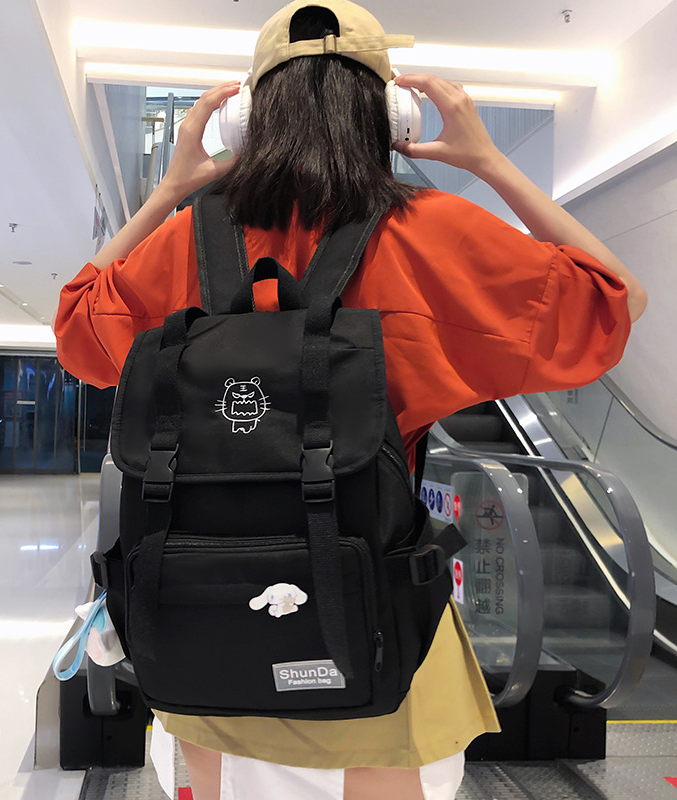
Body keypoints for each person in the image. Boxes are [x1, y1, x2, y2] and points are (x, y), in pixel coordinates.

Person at [55, 1, 646, 797]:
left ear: (247, 121)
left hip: (203, 642)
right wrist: (491, 165)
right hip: (374, 636)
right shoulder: (436, 234)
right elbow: (614, 302)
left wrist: (168, 194)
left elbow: (76, 330)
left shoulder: (186, 243)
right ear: (392, 117)